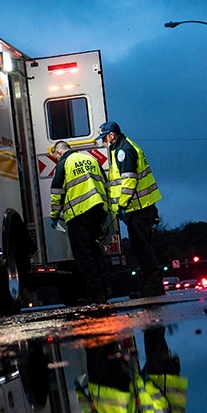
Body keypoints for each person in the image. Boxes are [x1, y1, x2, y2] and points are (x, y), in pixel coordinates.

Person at [97, 121, 164, 299]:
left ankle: (154, 285)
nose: (104, 141)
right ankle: (151, 285)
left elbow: (129, 180)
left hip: (137, 207)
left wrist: (121, 204)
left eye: (104, 137)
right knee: (140, 247)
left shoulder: (123, 151)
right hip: (141, 206)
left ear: (112, 135)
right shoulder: (123, 147)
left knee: (142, 248)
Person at [48, 140, 113, 306]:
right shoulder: (91, 159)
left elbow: (56, 192)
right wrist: (107, 209)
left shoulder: (64, 164)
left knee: (84, 256)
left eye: (55, 156)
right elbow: (106, 185)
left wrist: (54, 215)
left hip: (79, 214)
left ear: (59, 152)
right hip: (98, 210)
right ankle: (107, 290)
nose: (55, 159)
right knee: (96, 252)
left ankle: (96, 294)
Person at [137, 326, 186, 413]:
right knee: (154, 342)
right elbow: (161, 406)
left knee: (154, 342)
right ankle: (154, 314)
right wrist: (147, 385)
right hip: (161, 378)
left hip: (162, 377)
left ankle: (153, 316)